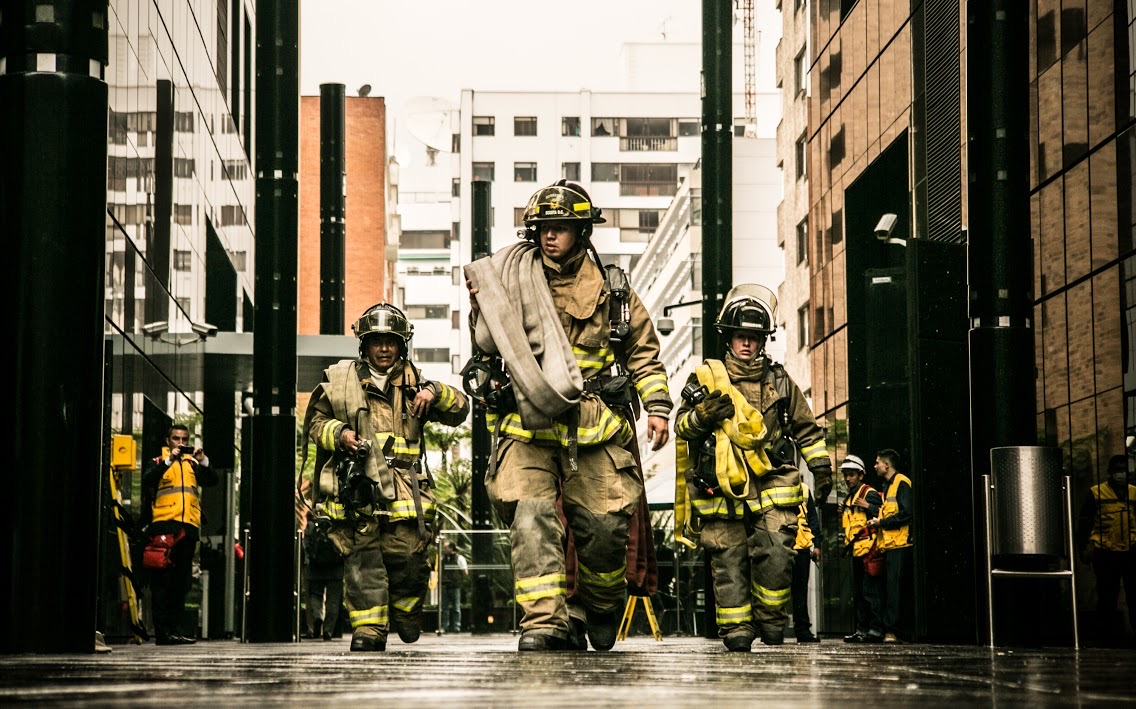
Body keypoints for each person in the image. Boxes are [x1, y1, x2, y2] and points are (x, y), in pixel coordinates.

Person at [465, 179, 672, 652]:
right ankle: (543, 622)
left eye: (560, 228)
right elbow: (486, 348)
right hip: (527, 423)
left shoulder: (613, 290)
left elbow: (643, 354)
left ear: (582, 231)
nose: (549, 237)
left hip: (594, 425)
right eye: (542, 228)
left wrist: (657, 407)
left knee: (603, 527)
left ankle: (600, 604)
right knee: (531, 514)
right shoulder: (506, 281)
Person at [673, 285, 833, 651]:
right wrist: (701, 415)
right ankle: (737, 629)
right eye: (740, 337)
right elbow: (682, 427)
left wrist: (822, 470)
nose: (746, 344)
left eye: (754, 338)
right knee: (727, 561)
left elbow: (807, 428)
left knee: (778, 552)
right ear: (728, 338)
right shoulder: (705, 379)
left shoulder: (779, 380)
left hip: (771, 482)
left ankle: (772, 621)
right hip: (721, 488)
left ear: (763, 341)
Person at [304, 303, 470, 652]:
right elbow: (316, 423)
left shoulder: (417, 384)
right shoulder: (340, 381)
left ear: (401, 345)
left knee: (408, 558)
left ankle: (407, 611)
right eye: (376, 341)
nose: (383, 348)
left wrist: (435, 393)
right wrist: (340, 435)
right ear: (363, 345)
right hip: (358, 487)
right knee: (363, 560)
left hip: (405, 492)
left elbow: (460, 409)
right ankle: (369, 631)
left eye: (390, 342)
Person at [142, 424, 217, 645]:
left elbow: (212, 480)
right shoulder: (158, 463)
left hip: (188, 528)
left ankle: (174, 630)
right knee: (162, 582)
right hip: (165, 527)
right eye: (176, 439)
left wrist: (203, 460)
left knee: (181, 582)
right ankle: (163, 632)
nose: (181, 443)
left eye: (184, 439)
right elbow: (148, 479)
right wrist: (169, 461)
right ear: (168, 441)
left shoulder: (193, 464)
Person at [1077, 454, 1135, 646]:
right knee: (1107, 597)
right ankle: (1106, 638)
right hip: (1105, 552)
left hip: (1131, 550)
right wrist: (1083, 548)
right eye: (1118, 470)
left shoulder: (1134, 493)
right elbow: (1084, 523)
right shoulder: (1097, 493)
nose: (1121, 474)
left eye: (1123, 469)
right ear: (1111, 472)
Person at [866, 448, 912, 643]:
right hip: (890, 545)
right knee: (890, 589)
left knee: (894, 589)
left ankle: (892, 631)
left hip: (900, 544)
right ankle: (892, 630)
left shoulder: (901, 482)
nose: (875, 466)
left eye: (877, 462)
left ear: (887, 464)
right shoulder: (889, 486)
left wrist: (880, 523)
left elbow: (906, 514)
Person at [837, 454, 884, 643]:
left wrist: (869, 506)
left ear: (861, 475)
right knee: (860, 593)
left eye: (851, 475)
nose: (848, 479)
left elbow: (884, 513)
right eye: (846, 475)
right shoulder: (851, 496)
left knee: (870, 593)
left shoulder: (868, 493)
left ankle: (875, 629)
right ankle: (862, 630)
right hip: (857, 551)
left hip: (870, 551)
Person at [303, 508, 344, 641]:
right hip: (336, 570)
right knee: (333, 601)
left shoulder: (311, 525)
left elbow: (306, 546)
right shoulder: (337, 524)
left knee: (315, 595)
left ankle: (317, 617)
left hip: (316, 569)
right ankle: (328, 631)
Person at [791, 482, 822, 642]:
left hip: (800, 546)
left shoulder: (804, 489)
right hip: (785, 545)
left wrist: (817, 544)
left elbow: (812, 518)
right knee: (793, 591)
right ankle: (773, 629)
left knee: (800, 591)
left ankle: (802, 630)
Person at [440, 539, 469, 633]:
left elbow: (465, 571)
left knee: (456, 607)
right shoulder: (443, 558)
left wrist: (457, 578)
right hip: (444, 585)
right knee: (444, 608)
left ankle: (457, 626)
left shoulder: (459, 558)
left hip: (455, 585)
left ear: (451, 548)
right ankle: (445, 626)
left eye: (446, 547)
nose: (444, 549)